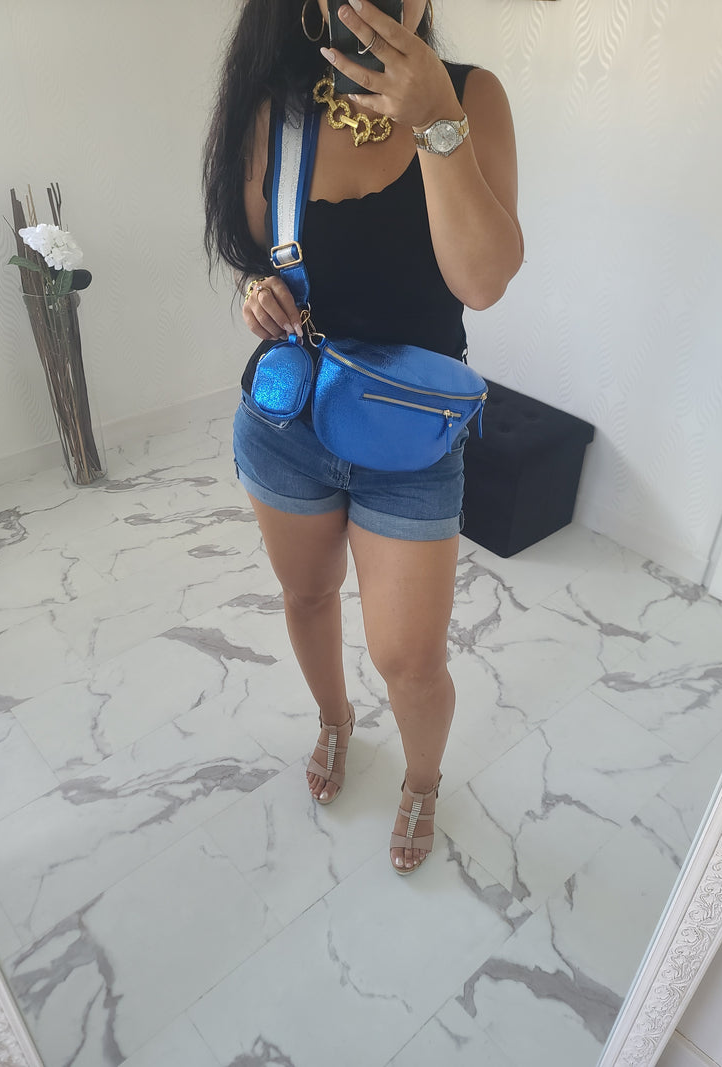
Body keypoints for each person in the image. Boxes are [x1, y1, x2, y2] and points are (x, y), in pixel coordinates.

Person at [203, 0, 523, 874]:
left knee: (410, 660)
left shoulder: (470, 97)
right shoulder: (273, 109)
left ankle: (422, 777)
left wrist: (435, 119)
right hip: (288, 422)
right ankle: (334, 719)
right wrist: (258, 295)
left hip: (412, 436)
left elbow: (483, 281)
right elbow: (259, 256)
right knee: (307, 596)